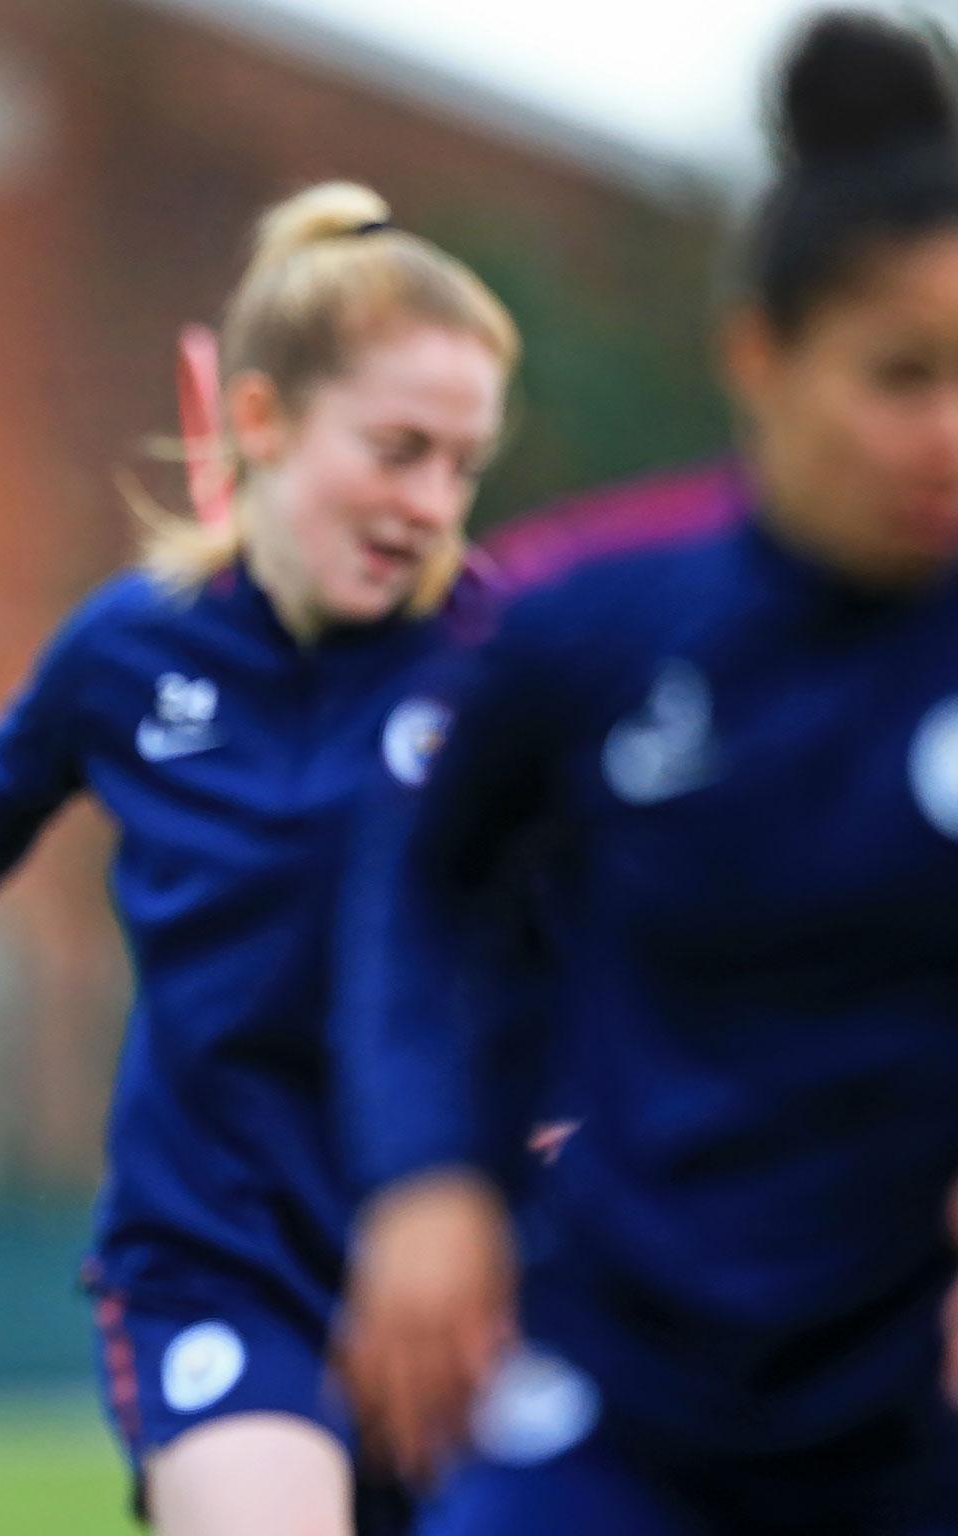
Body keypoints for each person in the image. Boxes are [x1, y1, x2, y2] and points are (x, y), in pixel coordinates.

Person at [0, 181, 518, 1536]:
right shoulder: (133, 650)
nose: (431, 502)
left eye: (463, 463)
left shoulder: (507, 662)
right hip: (220, 1253)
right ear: (258, 419)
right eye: (396, 450)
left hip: (455, 1253)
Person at [337, 14, 958, 1533]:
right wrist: (432, 1176)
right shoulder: (591, 637)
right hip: (627, 1386)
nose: (948, 431)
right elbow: (421, 900)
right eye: (901, 374)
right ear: (759, 354)